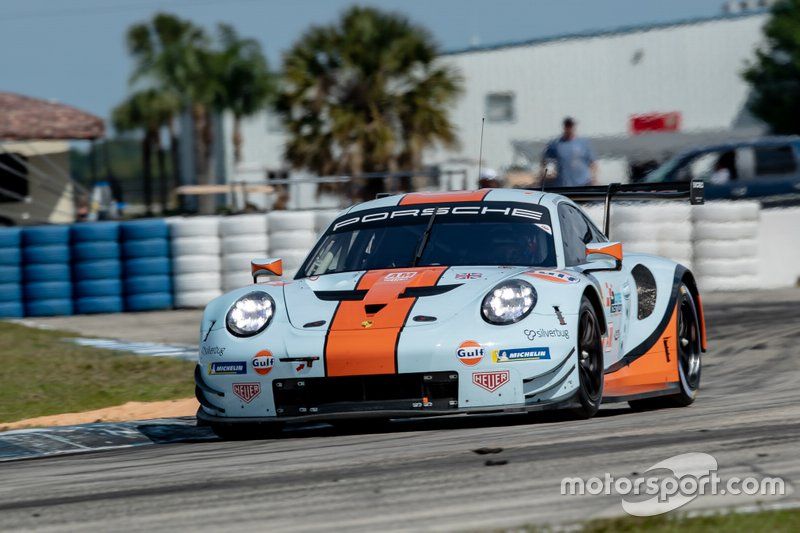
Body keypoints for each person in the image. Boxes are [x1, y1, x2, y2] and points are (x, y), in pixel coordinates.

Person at [540, 117, 598, 187]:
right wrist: (547, 173)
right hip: (562, 185)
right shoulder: (555, 144)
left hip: (582, 184)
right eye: (567, 126)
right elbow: (546, 161)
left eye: (571, 126)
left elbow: (593, 163)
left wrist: (593, 179)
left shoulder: (583, 143)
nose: (569, 128)